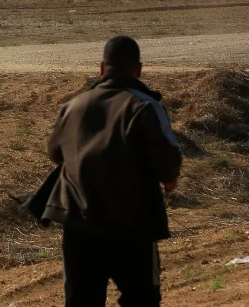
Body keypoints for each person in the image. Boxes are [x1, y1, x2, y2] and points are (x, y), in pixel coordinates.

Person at [44, 36, 183, 307]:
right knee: (142, 299)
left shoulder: (74, 106)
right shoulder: (145, 106)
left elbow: (54, 153)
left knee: (81, 301)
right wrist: (169, 180)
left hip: (79, 225)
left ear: (101, 68)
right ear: (138, 70)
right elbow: (166, 161)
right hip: (132, 225)